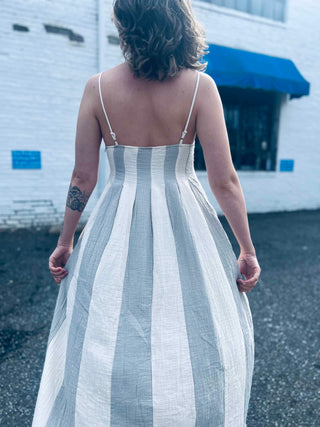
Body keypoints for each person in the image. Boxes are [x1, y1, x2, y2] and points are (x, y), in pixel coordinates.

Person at [32, 0, 261, 425]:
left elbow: (83, 178)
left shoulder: (97, 88)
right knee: (197, 328)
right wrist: (246, 248)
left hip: (115, 220)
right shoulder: (200, 87)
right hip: (187, 218)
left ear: (126, 26)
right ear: (178, 21)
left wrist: (65, 242)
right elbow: (224, 180)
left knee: (107, 328)